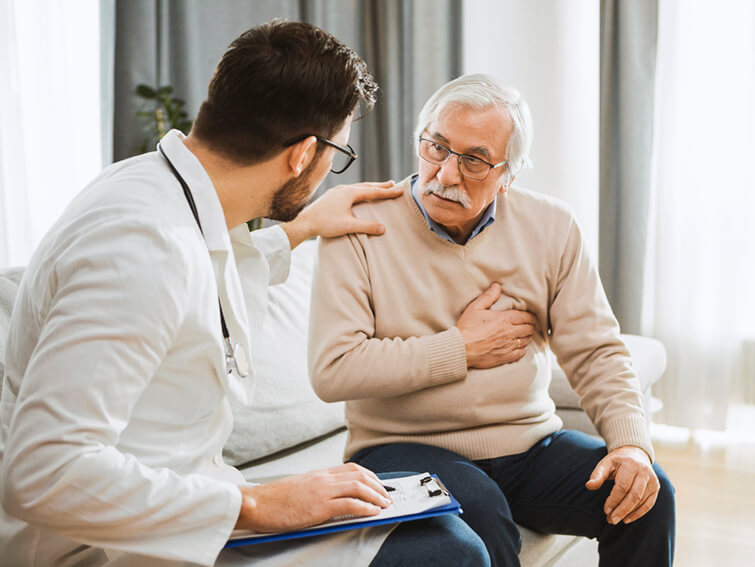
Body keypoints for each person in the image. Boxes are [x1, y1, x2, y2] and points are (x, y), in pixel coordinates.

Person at [0, 21, 487, 567]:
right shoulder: (139, 249)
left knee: (429, 502)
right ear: (304, 153)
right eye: (338, 155)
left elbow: (206, 272)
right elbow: (42, 474)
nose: (329, 173)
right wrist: (253, 504)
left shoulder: (157, 191)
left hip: (191, 504)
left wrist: (303, 227)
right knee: (446, 551)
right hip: (109, 546)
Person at [309, 73, 676, 567]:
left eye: (475, 160)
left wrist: (631, 444)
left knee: (648, 499)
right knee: (482, 511)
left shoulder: (551, 226)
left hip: (529, 445)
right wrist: (460, 348)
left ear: (509, 175)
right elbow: (334, 369)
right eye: (436, 147)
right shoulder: (357, 226)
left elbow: (596, 351)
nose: (445, 174)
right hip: (399, 450)